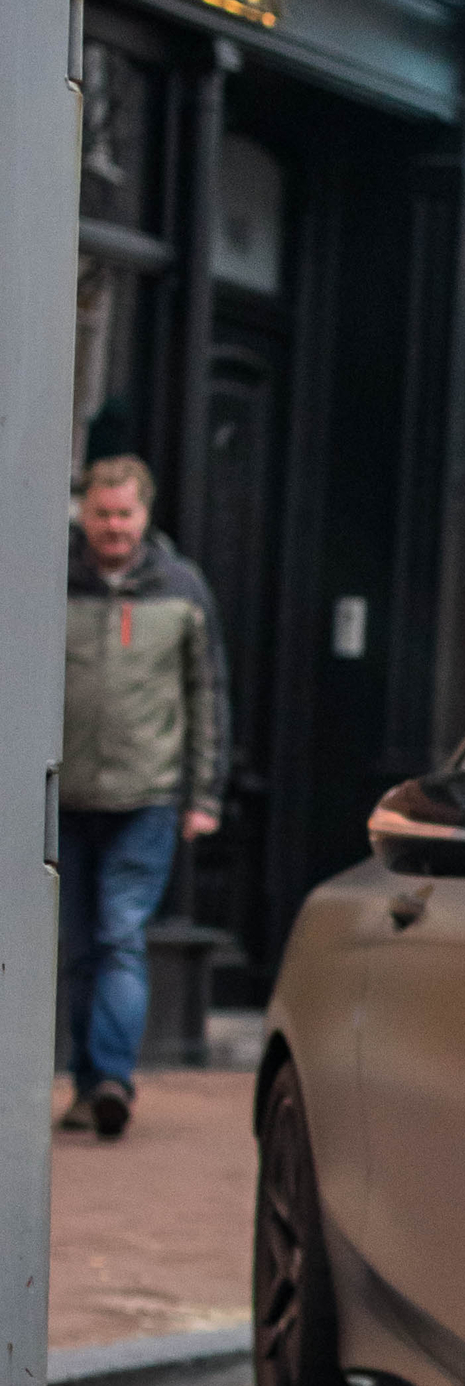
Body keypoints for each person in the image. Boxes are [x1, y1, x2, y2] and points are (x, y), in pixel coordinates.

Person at [58, 455, 228, 1142]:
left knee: (119, 938)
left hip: (148, 797)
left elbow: (208, 695)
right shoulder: (51, 579)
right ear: (84, 514)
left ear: (145, 514)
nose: (113, 528)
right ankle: (83, 1081)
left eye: (124, 514)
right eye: (101, 514)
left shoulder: (182, 590)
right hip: (64, 796)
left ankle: (112, 1080)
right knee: (76, 947)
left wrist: (205, 793)